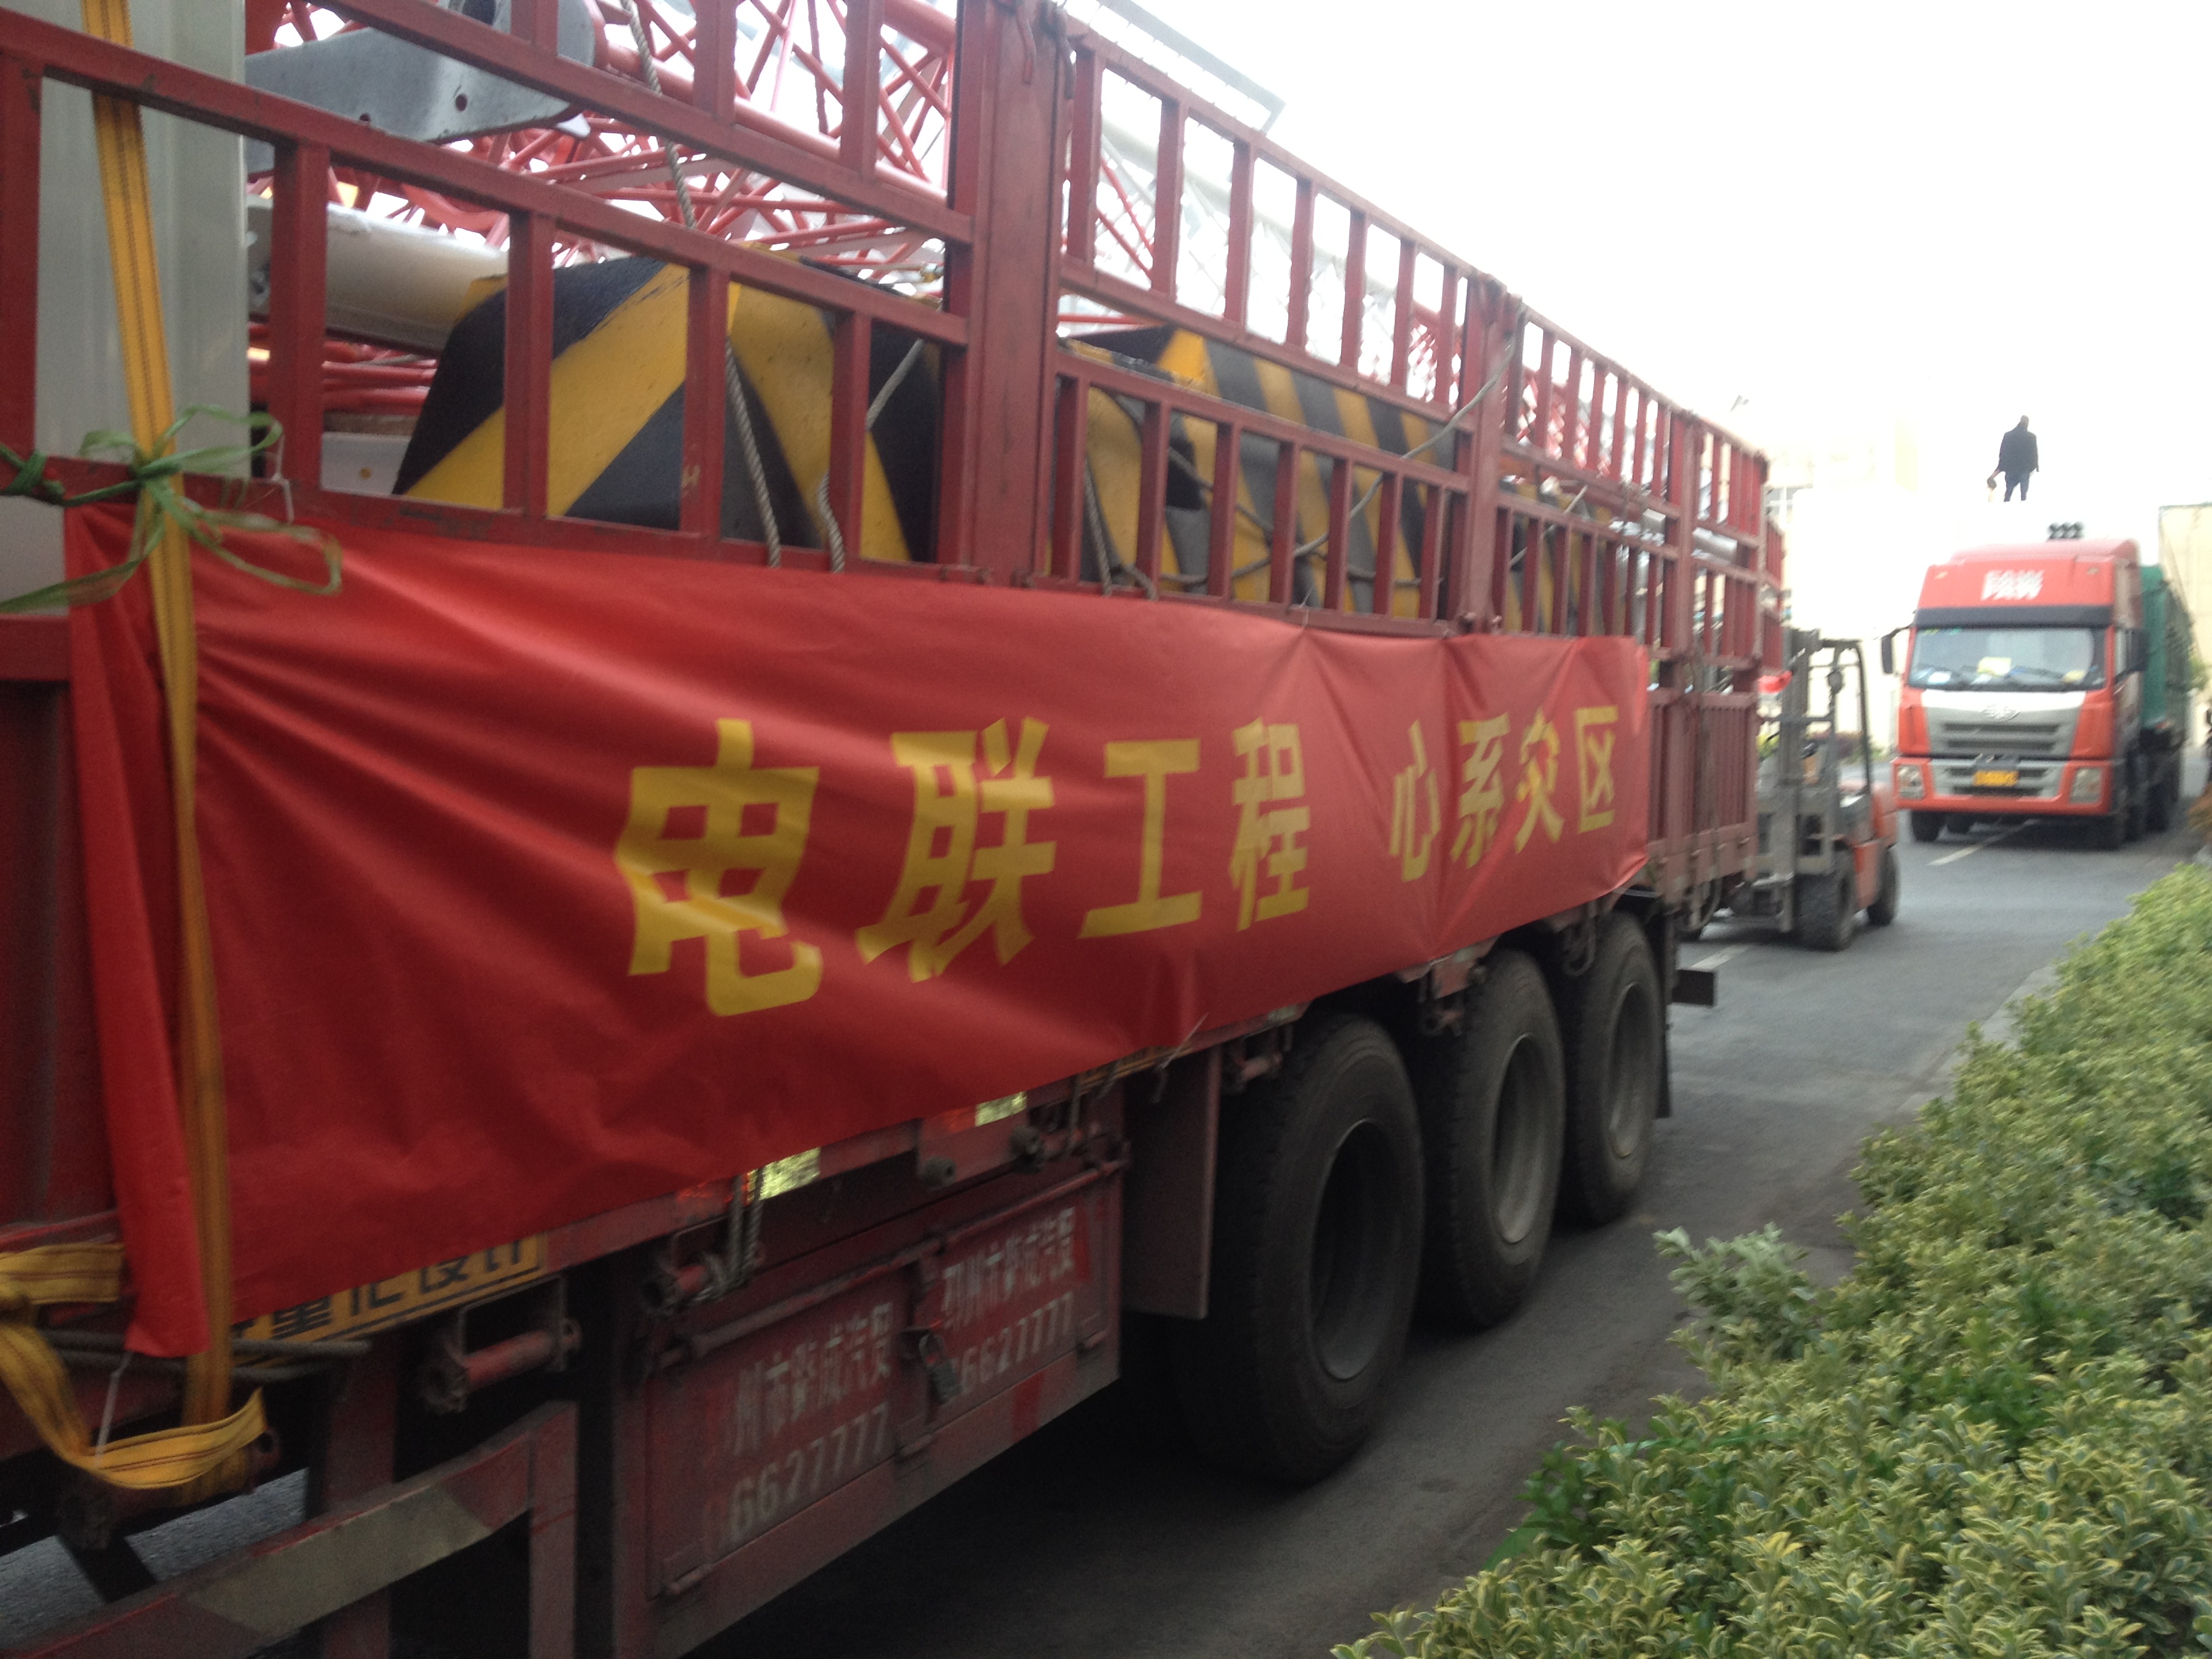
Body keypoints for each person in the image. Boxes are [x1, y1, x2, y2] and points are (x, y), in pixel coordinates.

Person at [1988, 417, 2039, 501]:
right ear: (2027, 423)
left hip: (2011, 469)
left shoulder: (2008, 436)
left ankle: (2006, 503)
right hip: (2024, 469)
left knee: (2009, 491)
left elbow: (2003, 453)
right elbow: (2034, 453)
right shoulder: (2031, 437)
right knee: (2023, 494)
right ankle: (2023, 504)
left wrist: (2001, 467)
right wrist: (2035, 466)